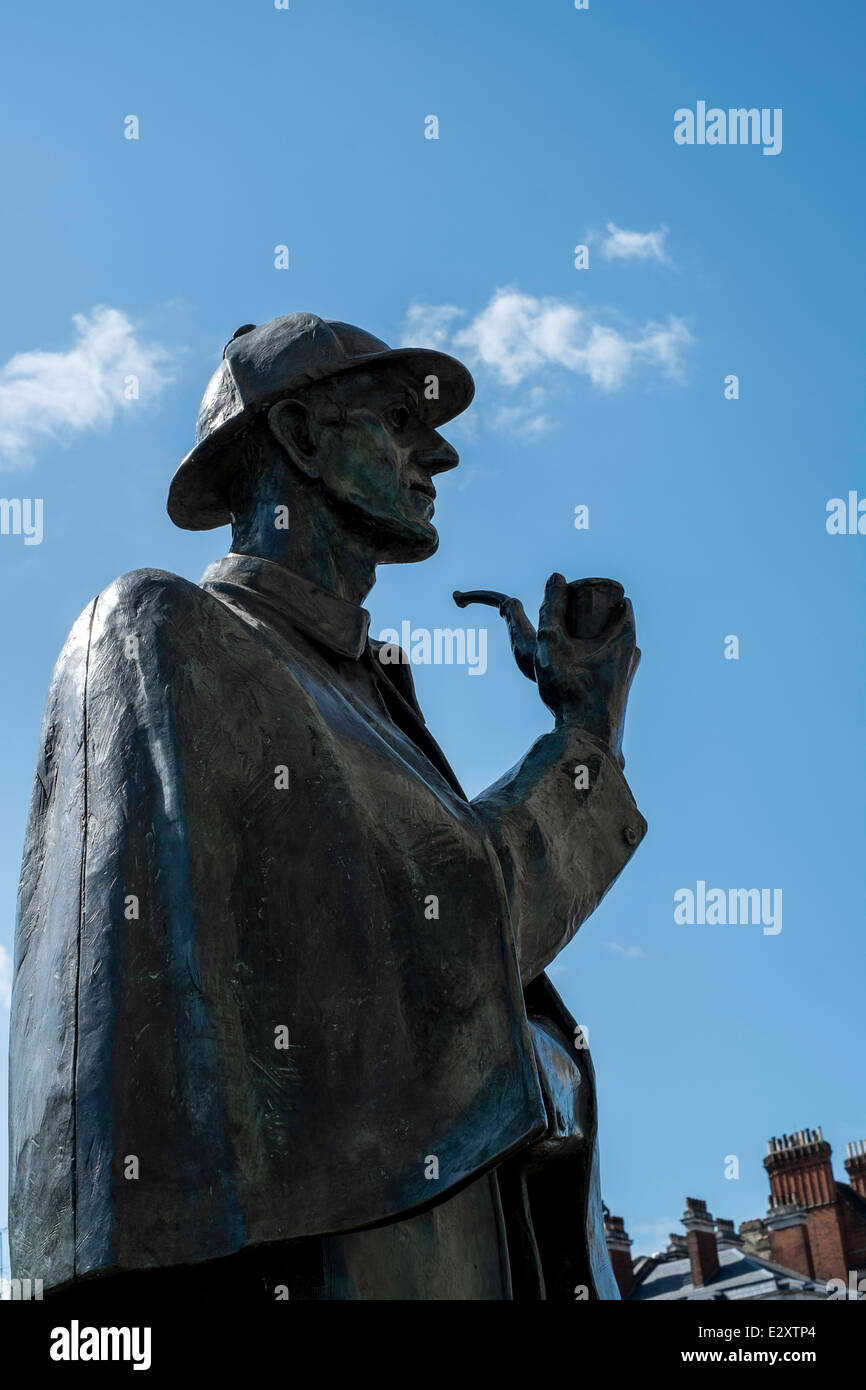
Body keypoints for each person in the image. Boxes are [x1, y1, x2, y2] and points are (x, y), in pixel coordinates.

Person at [10, 313, 646, 1300]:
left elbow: (447, 926)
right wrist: (584, 747)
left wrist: (581, 734)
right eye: (397, 416)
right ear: (301, 438)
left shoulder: (368, 702)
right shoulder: (165, 635)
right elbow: (454, 934)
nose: (437, 449)